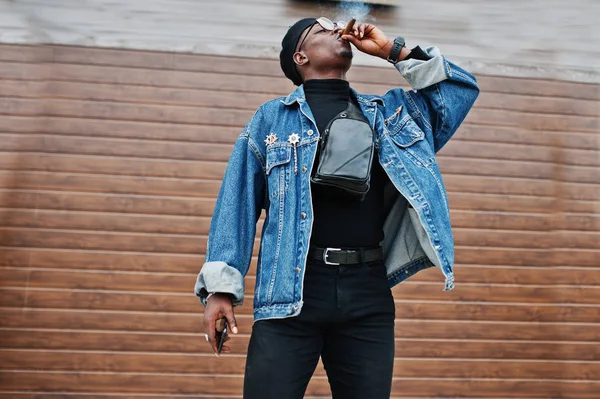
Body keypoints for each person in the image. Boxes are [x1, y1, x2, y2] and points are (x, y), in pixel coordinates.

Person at [195, 16, 479, 399]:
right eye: (321, 30)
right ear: (300, 56)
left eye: (335, 26)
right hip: (290, 291)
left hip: (368, 293)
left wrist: (392, 51)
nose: (336, 30)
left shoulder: (390, 113)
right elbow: (237, 201)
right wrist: (220, 290)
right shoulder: (272, 118)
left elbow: (457, 92)